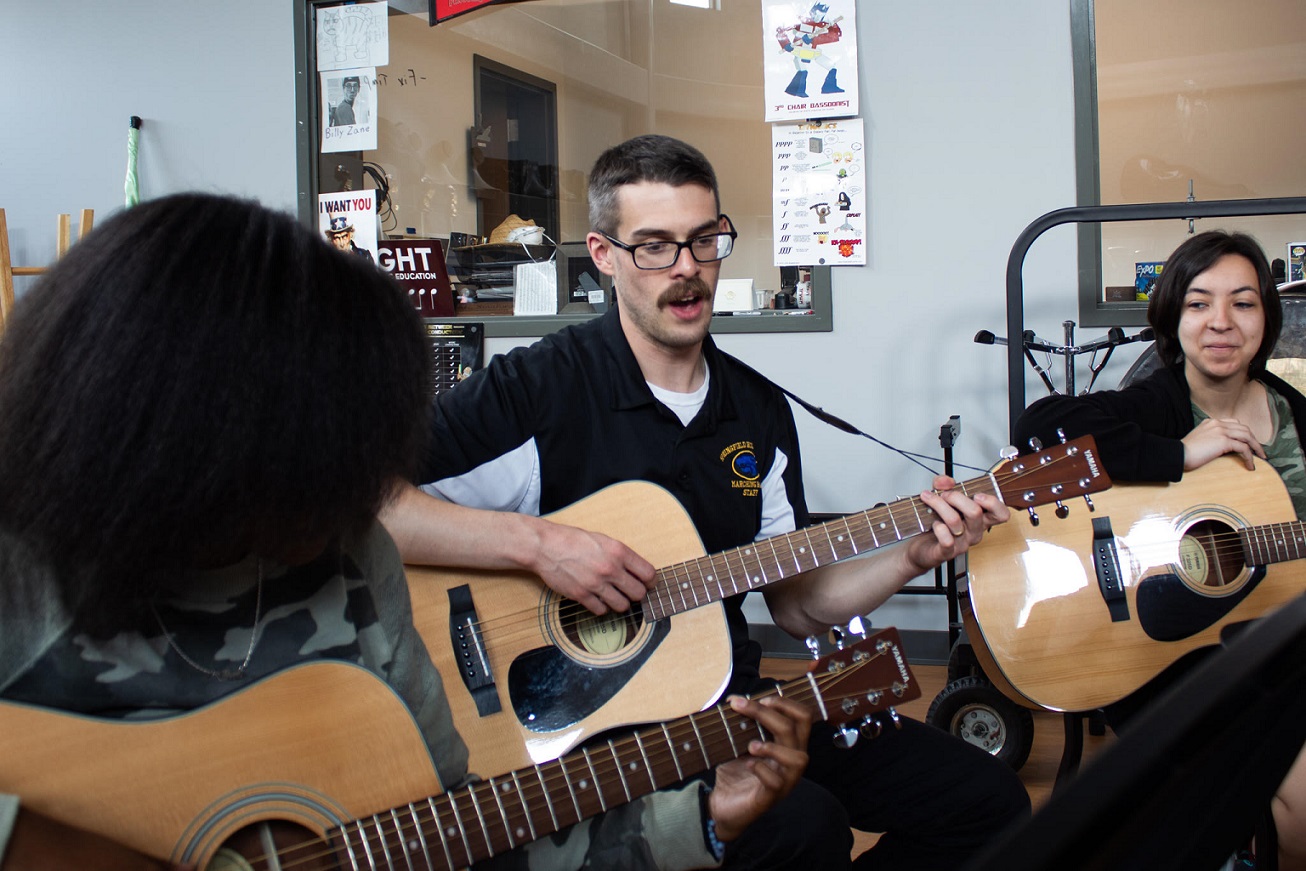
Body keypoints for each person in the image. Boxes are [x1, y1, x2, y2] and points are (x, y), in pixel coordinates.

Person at [0, 193, 812, 870]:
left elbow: (458, 827)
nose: (357, 486)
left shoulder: (356, 561)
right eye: (321, 451)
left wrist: (694, 822)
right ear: (193, 434)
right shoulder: (21, 572)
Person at [382, 134, 1031, 869]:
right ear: (602, 253)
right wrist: (540, 546)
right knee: (801, 825)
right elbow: (364, 504)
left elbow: (797, 603)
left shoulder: (756, 410)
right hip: (588, 732)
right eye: (654, 246)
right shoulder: (535, 391)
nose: (687, 268)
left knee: (987, 803)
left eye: (704, 240)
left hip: (730, 704)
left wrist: (914, 553)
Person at [1014, 229, 1306, 869]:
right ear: (1173, 317)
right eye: (1199, 303)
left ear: (1268, 317)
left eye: (1243, 302)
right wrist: (1181, 454)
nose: (1221, 322)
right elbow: (1038, 429)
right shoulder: (1159, 401)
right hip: (1163, 645)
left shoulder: (1294, 414)